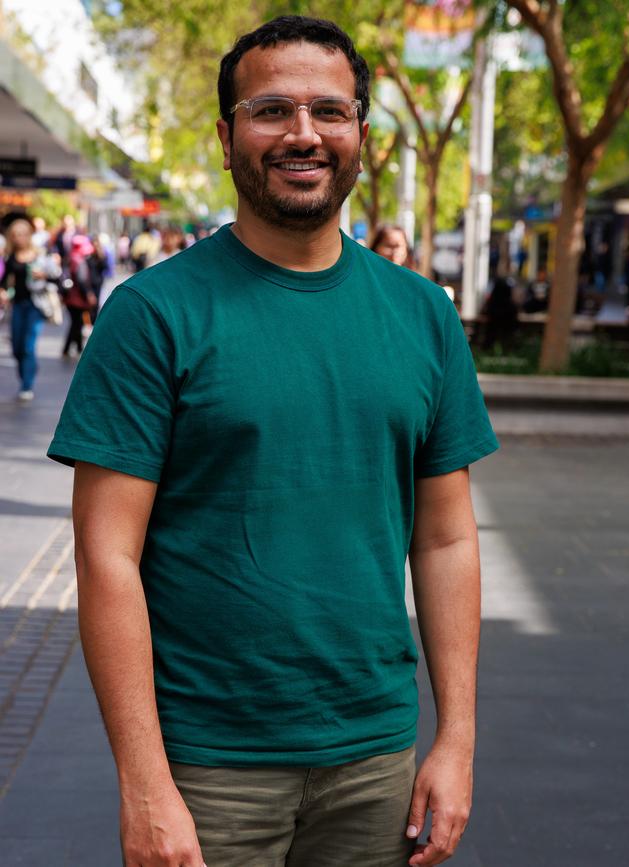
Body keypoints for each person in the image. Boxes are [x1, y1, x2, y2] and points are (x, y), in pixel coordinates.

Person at [48, 16, 498, 867]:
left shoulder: (424, 316)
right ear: (225, 138)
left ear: (363, 134)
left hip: (375, 756)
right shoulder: (151, 317)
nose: (303, 133)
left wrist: (458, 739)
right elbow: (107, 558)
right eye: (270, 110)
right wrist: (144, 782)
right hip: (207, 765)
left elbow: (444, 536)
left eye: (330, 110)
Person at [1, 218, 60, 401]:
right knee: (17, 347)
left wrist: (44, 275)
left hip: (35, 305)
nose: (19, 238)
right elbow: (4, 280)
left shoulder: (40, 255)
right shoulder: (10, 257)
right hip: (17, 305)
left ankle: (27, 385)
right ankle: (28, 370)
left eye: (22, 234)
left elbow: (57, 277)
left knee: (28, 346)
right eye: (15, 235)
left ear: (29, 235)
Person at [61, 233, 96, 357]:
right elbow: (82, 281)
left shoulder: (69, 258)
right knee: (76, 323)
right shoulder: (79, 261)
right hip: (77, 298)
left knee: (75, 323)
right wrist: (88, 294)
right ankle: (73, 348)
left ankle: (75, 348)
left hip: (69, 297)